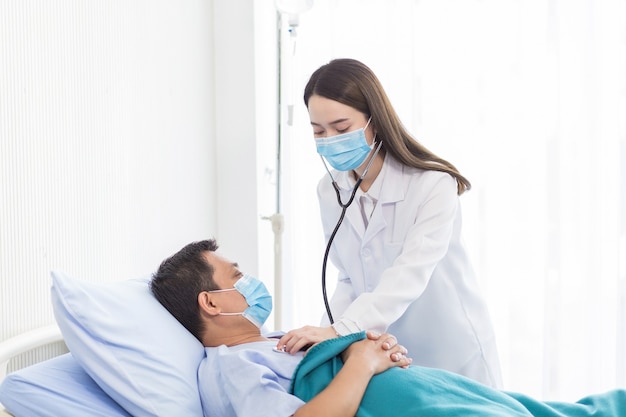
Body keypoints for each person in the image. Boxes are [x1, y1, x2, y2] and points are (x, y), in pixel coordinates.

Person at [150, 239, 626, 417]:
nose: (249, 282)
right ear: (211, 302)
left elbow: (349, 357)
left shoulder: (273, 340)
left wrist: (372, 348)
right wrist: (360, 362)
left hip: (423, 386)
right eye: (236, 276)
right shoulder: (228, 367)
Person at [277, 58, 502, 387]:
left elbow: (409, 274)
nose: (329, 140)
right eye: (318, 131)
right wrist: (326, 338)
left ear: (375, 121)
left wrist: (340, 330)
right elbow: (350, 279)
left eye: (341, 128)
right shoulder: (330, 190)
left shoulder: (432, 185)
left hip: (451, 350)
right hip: (390, 353)